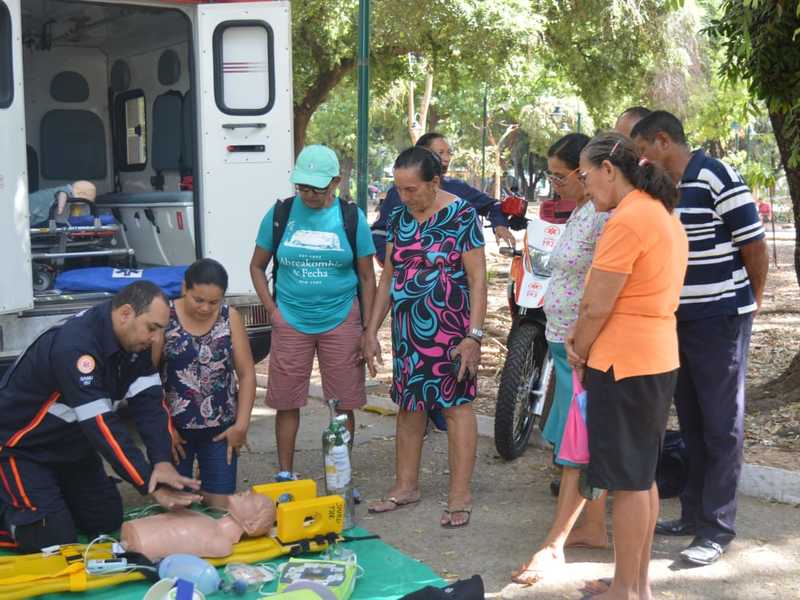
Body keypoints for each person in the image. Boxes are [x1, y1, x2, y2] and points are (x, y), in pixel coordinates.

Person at [631, 111, 769, 566]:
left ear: (664, 141)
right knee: (690, 418)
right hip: (677, 319)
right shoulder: (663, 185)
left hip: (721, 319)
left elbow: (753, 245)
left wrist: (749, 301)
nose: (641, 160)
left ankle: (717, 527)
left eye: (644, 150)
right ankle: (692, 513)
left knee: (721, 423)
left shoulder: (715, 176)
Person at [566, 132, 688, 600]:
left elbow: (597, 306)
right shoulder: (658, 214)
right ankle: (635, 585)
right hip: (654, 357)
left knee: (630, 484)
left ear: (608, 171)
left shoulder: (629, 219)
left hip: (625, 362)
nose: (583, 184)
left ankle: (626, 591)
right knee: (642, 478)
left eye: (584, 174)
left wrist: (580, 346)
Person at [0, 281, 202, 553]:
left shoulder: (134, 346)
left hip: (71, 448)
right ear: (126, 313)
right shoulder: (75, 346)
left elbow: (151, 405)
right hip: (23, 448)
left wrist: (162, 462)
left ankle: (50, 498)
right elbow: (102, 427)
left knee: (106, 518)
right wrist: (147, 482)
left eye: (160, 330)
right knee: (52, 541)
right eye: (152, 328)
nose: (155, 339)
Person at [363, 146, 487, 528]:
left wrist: (474, 336)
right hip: (408, 332)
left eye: (412, 189)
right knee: (409, 404)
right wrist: (371, 329)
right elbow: (388, 277)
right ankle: (405, 486)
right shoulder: (399, 217)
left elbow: (477, 278)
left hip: (451, 332)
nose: (404, 196)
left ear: (435, 182)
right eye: (399, 188)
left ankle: (459, 494)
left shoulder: (461, 215)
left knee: (455, 406)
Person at [511, 133, 610, 585]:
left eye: (559, 175)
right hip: (562, 336)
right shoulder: (582, 211)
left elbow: (602, 286)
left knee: (579, 442)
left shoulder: (604, 216)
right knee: (572, 439)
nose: (553, 184)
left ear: (586, 170)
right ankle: (584, 526)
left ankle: (573, 532)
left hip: (580, 342)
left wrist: (583, 339)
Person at [249, 145, 376, 482]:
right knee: (287, 400)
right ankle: (285, 472)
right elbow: (257, 267)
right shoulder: (280, 215)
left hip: (341, 319)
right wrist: (273, 311)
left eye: (317, 189)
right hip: (291, 319)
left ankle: (341, 476)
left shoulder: (351, 217)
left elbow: (367, 276)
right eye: (302, 187)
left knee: (343, 404)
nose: (309, 195)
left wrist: (368, 329)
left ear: (335, 182)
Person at [154, 259, 256, 509]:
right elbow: (149, 378)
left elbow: (246, 374)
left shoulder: (228, 317)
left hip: (220, 431)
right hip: (175, 434)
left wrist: (241, 426)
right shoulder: (164, 317)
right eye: (198, 299)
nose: (205, 308)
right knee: (177, 510)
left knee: (220, 509)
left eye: (213, 302)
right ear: (184, 288)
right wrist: (164, 429)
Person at [371, 132, 515, 263]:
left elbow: (492, 206)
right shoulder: (396, 195)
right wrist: (392, 263)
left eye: (449, 153)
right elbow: (379, 233)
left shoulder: (459, 189)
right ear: (423, 154)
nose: (446, 158)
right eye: (440, 153)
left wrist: (500, 225)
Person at [121, 490, 274, 560]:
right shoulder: (207, 520)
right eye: (250, 492)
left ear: (251, 525)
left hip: (140, 547)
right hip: (134, 533)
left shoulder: (221, 544)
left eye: (252, 499)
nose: (247, 493)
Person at [28, 180, 97, 226]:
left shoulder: (66, 191)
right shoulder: (64, 192)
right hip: (30, 210)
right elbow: (62, 196)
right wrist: (60, 208)